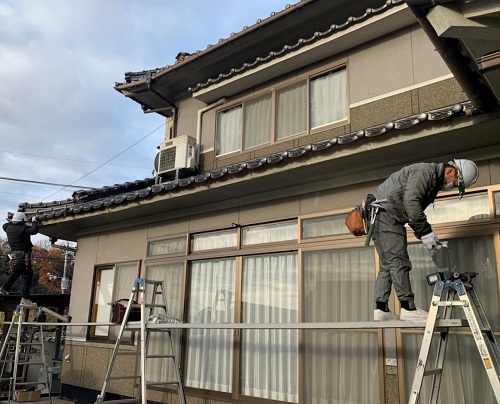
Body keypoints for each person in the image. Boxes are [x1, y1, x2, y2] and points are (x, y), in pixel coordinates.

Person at [371, 159, 479, 321]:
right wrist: (426, 233)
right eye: (456, 183)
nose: (454, 186)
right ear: (450, 172)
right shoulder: (426, 172)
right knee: (399, 261)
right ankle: (408, 308)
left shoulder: (432, 182)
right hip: (386, 213)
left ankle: (381, 310)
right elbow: (411, 202)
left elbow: (413, 212)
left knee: (389, 263)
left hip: (386, 214)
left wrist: (425, 235)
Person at [0, 212, 39, 306]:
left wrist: (11, 220)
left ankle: (4, 288)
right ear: (22, 221)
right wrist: (34, 221)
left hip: (14, 257)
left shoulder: (8, 228)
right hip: (23, 256)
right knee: (27, 275)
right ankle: (25, 298)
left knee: (15, 272)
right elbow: (34, 230)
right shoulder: (22, 229)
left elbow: (5, 224)